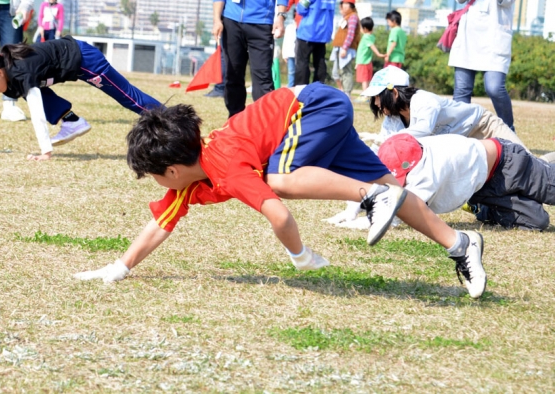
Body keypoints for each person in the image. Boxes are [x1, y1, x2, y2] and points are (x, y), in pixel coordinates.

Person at [74, 83, 488, 299]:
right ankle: (460, 244)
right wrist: (120, 267)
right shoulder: (191, 178)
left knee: (280, 180)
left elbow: (279, 214)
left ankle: (369, 197)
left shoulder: (224, 168)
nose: (157, 186)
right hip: (322, 113)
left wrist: (301, 257)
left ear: (171, 169)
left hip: (312, 107)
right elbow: (158, 227)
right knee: (394, 187)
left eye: (154, 177)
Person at [0, 36, 161, 160]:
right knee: (29, 92)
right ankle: (72, 121)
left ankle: (172, 121)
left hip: (85, 60)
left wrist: (45, 151)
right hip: (73, 64)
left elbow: (36, 112)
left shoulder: (20, 72)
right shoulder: (6, 76)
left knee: (131, 99)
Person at [329, 133, 552, 232]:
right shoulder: (410, 150)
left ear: (415, 167)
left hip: (509, 165)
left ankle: (544, 165)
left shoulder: (428, 174)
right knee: (537, 221)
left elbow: (394, 216)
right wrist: (352, 209)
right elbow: (375, 185)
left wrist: (353, 223)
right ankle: (481, 208)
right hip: (481, 190)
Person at [450, 0, 524, 130]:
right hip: (468, 36)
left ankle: (508, 131)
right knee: (461, 92)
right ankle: (459, 134)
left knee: (494, 87)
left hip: (495, 37)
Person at [363, 66, 525, 148]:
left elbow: (423, 129)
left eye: (378, 97)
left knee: (528, 161)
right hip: (463, 144)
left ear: (395, 93)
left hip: (482, 126)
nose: (376, 103)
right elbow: (380, 147)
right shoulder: (393, 120)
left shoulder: (424, 101)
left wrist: (386, 139)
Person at [295, 0, 336, 85]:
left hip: (308, 31)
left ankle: (301, 89)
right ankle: (318, 89)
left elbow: (301, 8)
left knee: (302, 62)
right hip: (323, 33)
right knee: (320, 62)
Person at [281, 0, 312, 87]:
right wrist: (280, 17)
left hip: (314, 30)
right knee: (301, 61)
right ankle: (299, 87)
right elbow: (285, 6)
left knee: (315, 62)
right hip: (300, 30)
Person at [330, 0, 360, 95]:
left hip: (346, 49)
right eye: (342, 4)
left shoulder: (353, 17)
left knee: (346, 72)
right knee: (336, 72)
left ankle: (347, 93)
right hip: (339, 48)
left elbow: (351, 33)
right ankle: (341, 90)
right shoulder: (346, 17)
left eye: (346, 4)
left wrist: (345, 48)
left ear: (351, 5)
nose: (343, 6)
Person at [355, 17, 381, 96]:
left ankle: (365, 95)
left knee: (364, 80)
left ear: (365, 29)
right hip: (368, 62)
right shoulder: (371, 36)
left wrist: (378, 54)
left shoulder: (366, 37)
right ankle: (368, 95)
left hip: (363, 62)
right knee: (367, 79)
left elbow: (371, 46)